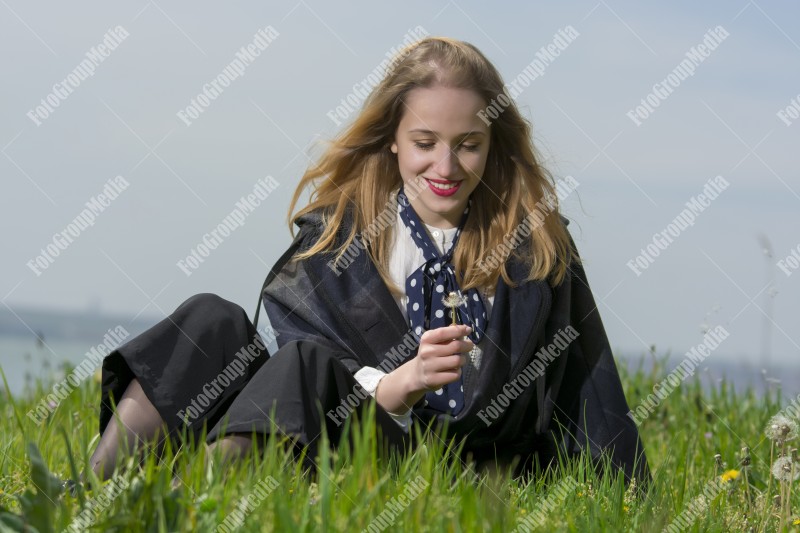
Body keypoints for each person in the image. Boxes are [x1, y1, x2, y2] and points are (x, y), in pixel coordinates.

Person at [86, 36, 649, 488]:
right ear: (393, 141)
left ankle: (192, 508)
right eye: (425, 141)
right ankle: (95, 493)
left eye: (469, 144)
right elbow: (314, 374)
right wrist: (398, 384)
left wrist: (626, 496)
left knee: (301, 365)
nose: (446, 165)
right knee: (211, 321)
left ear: (493, 144)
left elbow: (587, 382)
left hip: (440, 468)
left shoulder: (534, 246)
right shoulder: (340, 236)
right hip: (335, 433)